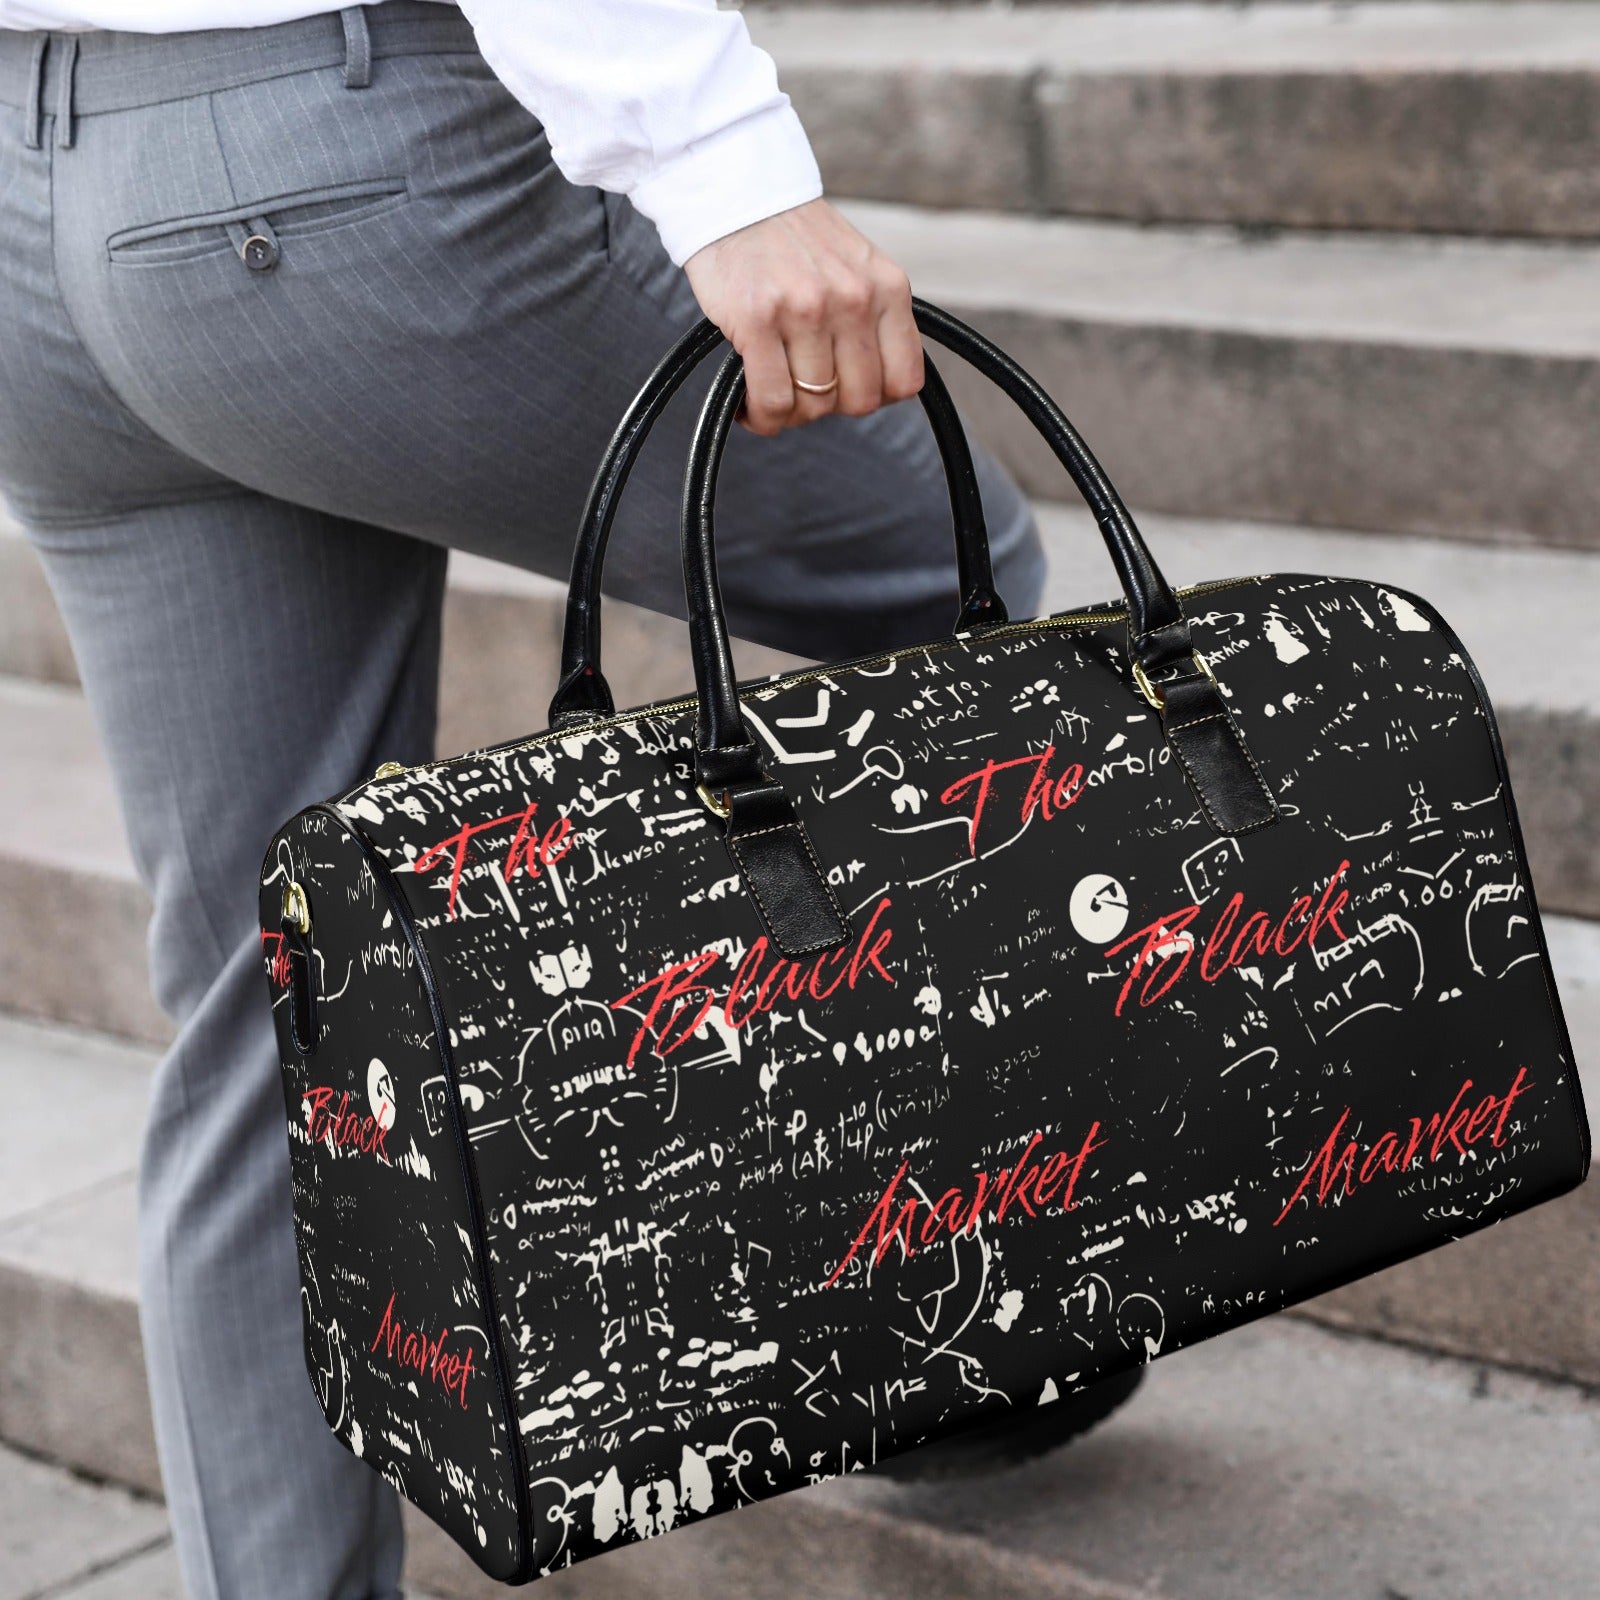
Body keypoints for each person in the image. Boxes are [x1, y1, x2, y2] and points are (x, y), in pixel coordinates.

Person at [0, 4, 1135, 1595]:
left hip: (30, 213)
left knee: (278, 1004)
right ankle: (930, 1278)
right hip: (323, 158)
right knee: (949, 579)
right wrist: (723, 163)